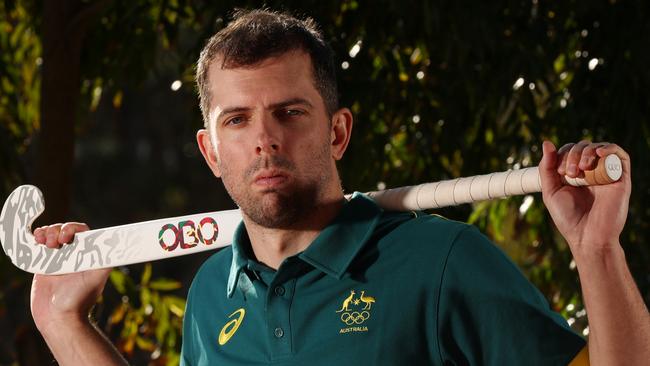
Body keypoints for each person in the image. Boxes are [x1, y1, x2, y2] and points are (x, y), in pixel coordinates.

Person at [30, 9, 649, 366]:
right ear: (210, 151)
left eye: (291, 112)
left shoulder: (442, 264)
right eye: (237, 120)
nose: (265, 140)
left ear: (338, 131)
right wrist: (64, 323)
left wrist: (597, 250)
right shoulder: (211, 300)